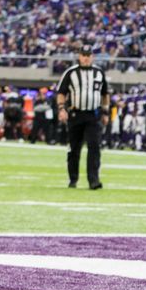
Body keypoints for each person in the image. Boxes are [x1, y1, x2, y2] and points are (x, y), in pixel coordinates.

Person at [56, 44, 110, 190]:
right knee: (74, 148)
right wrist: (62, 109)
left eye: (88, 55)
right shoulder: (71, 72)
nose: (86, 58)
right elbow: (61, 93)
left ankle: (93, 180)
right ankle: (73, 178)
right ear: (79, 56)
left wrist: (105, 112)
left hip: (93, 114)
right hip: (75, 114)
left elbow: (105, 94)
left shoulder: (99, 73)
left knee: (94, 147)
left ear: (92, 57)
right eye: (83, 55)